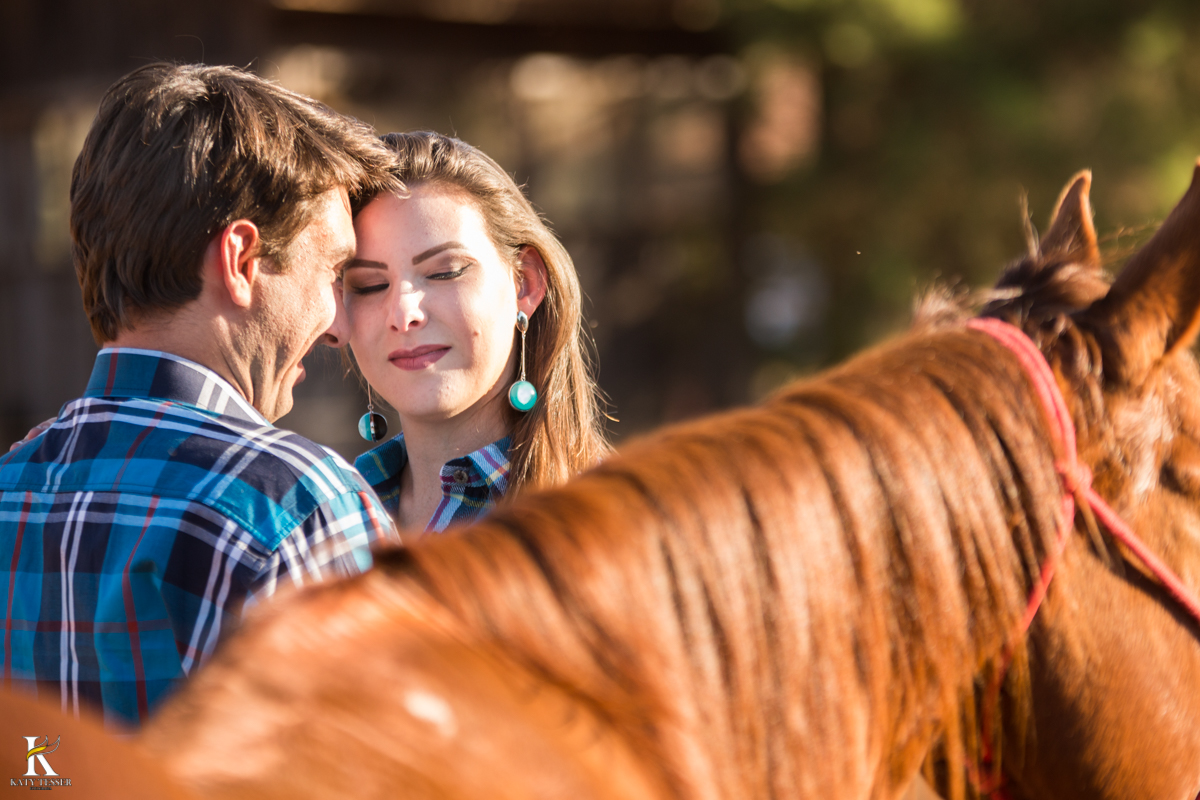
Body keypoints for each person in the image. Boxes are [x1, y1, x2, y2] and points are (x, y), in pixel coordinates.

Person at [0, 63, 401, 729]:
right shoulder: (296, 505)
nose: (339, 326)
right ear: (242, 261)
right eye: (333, 270)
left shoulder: (10, 486)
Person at [345, 132, 610, 531]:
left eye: (444, 272)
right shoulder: (325, 511)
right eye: (369, 284)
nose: (403, 313)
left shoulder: (611, 517)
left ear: (525, 283)